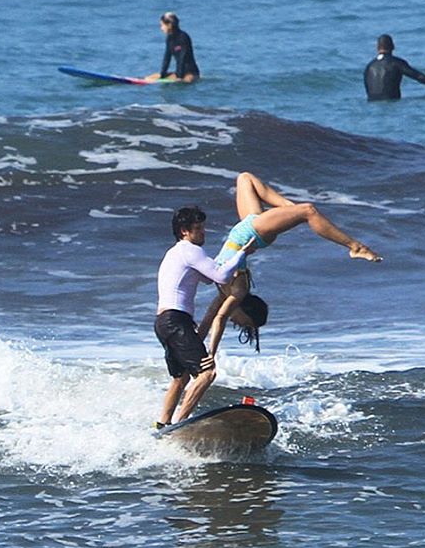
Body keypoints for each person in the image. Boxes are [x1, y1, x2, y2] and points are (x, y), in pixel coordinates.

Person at [199, 171, 382, 361]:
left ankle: (294, 213)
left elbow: (210, 319)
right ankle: (354, 246)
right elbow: (217, 319)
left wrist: (201, 350)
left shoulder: (228, 293)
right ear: (247, 311)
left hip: (249, 227)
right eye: (243, 323)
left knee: (247, 179)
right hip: (255, 231)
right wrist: (205, 351)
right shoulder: (238, 290)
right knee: (307, 210)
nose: (234, 321)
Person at [154, 206, 254, 428]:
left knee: (181, 378)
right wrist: (242, 253)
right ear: (184, 232)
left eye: (203, 228)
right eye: (198, 229)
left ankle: (162, 424)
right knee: (207, 372)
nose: (203, 233)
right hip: (175, 320)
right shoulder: (189, 249)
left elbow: (210, 278)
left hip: (164, 322)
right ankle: (181, 425)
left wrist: (232, 265)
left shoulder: (175, 252)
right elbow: (219, 275)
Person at [364, 34, 425, 100]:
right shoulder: (396, 63)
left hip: (371, 103)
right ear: (393, 46)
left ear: (377, 48)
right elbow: (417, 76)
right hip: (391, 104)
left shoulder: (369, 66)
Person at [144, 12, 200, 84]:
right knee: (150, 77)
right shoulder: (169, 39)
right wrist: (162, 75)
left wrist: (179, 77)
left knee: (186, 80)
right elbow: (167, 58)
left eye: (162, 25)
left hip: (191, 73)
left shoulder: (183, 37)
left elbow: (181, 58)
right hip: (179, 72)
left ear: (169, 25)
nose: (161, 28)